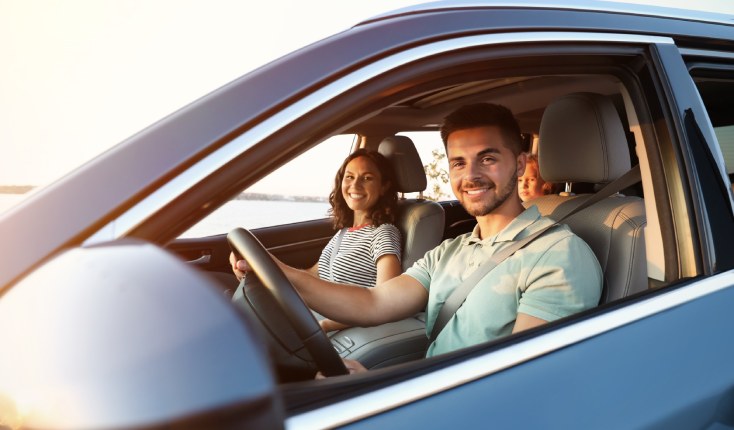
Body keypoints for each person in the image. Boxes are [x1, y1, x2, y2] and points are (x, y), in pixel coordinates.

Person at [232, 103, 602, 374]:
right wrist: (276, 271)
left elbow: (522, 383)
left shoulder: (559, 255)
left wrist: (385, 395)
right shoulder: (450, 250)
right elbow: (373, 303)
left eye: (487, 158)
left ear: (519, 164)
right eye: (458, 162)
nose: (470, 175)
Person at [233, 148, 402, 333]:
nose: (355, 185)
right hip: (313, 317)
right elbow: (313, 276)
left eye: (367, 178)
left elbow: (388, 300)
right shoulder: (343, 233)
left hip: (333, 328)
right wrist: (260, 271)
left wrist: (326, 325)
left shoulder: (383, 233)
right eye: (349, 177)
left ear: (384, 186)